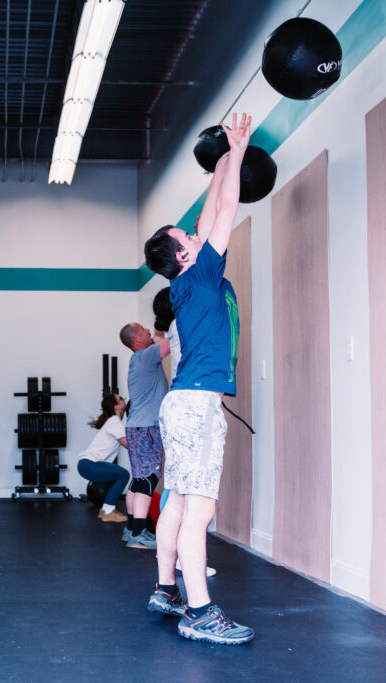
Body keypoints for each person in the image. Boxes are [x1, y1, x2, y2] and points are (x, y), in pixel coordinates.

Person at [141, 113, 254, 645]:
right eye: (186, 235)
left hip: (181, 406)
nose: (194, 232)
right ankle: (200, 611)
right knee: (199, 508)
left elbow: (210, 214)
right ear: (184, 254)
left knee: (180, 501)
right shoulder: (201, 272)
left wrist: (221, 165)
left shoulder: (185, 281)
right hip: (197, 407)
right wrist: (241, 148)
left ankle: (166, 588)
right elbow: (226, 210)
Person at [118, 322, 169, 549]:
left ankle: (132, 530)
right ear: (136, 340)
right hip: (147, 428)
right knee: (148, 479)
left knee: (139, 480)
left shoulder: (139, 359)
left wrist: (158, 331)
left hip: (138, 427)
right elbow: (171, 343)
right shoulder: (146, 356)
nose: (148, 330)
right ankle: (139, 534)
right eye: (144, 330)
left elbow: (159, 339)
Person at [75, 393, 130, 524]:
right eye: (121, 399)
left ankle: (106, 510)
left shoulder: (114, 422)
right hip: (89, 464)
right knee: (124, 475)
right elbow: (127, 443)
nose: (124, 400)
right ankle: (109, 511)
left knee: (118, 476)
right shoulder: (114, 422)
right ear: (116, 407)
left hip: (87, 465)